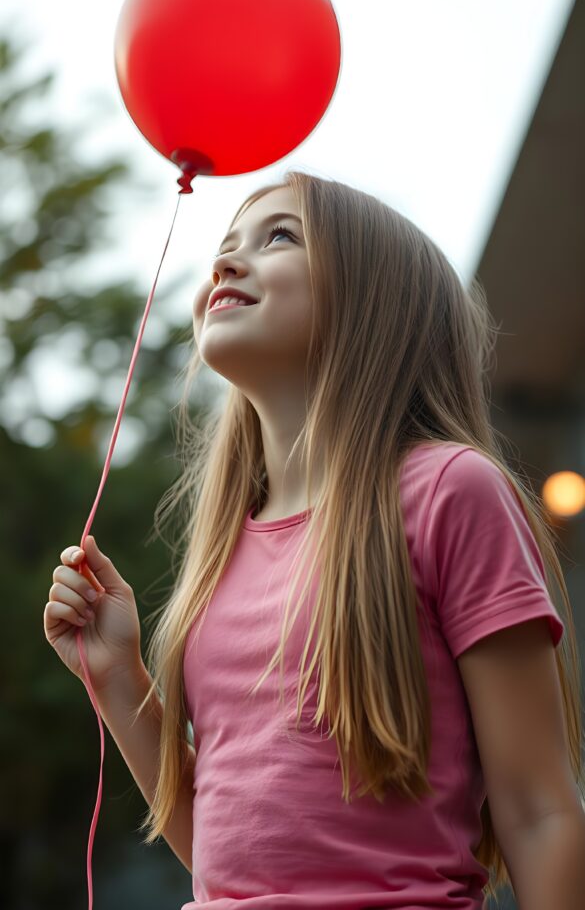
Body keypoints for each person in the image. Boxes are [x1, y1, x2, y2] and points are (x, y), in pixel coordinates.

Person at [44, 171, 585, 909]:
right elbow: (228, 860)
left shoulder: (448, 490)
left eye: (279, 237)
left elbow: (540, 811)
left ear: (375, 303)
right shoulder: (225, 546)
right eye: (226, 245)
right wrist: (118, 680)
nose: (225, 264)